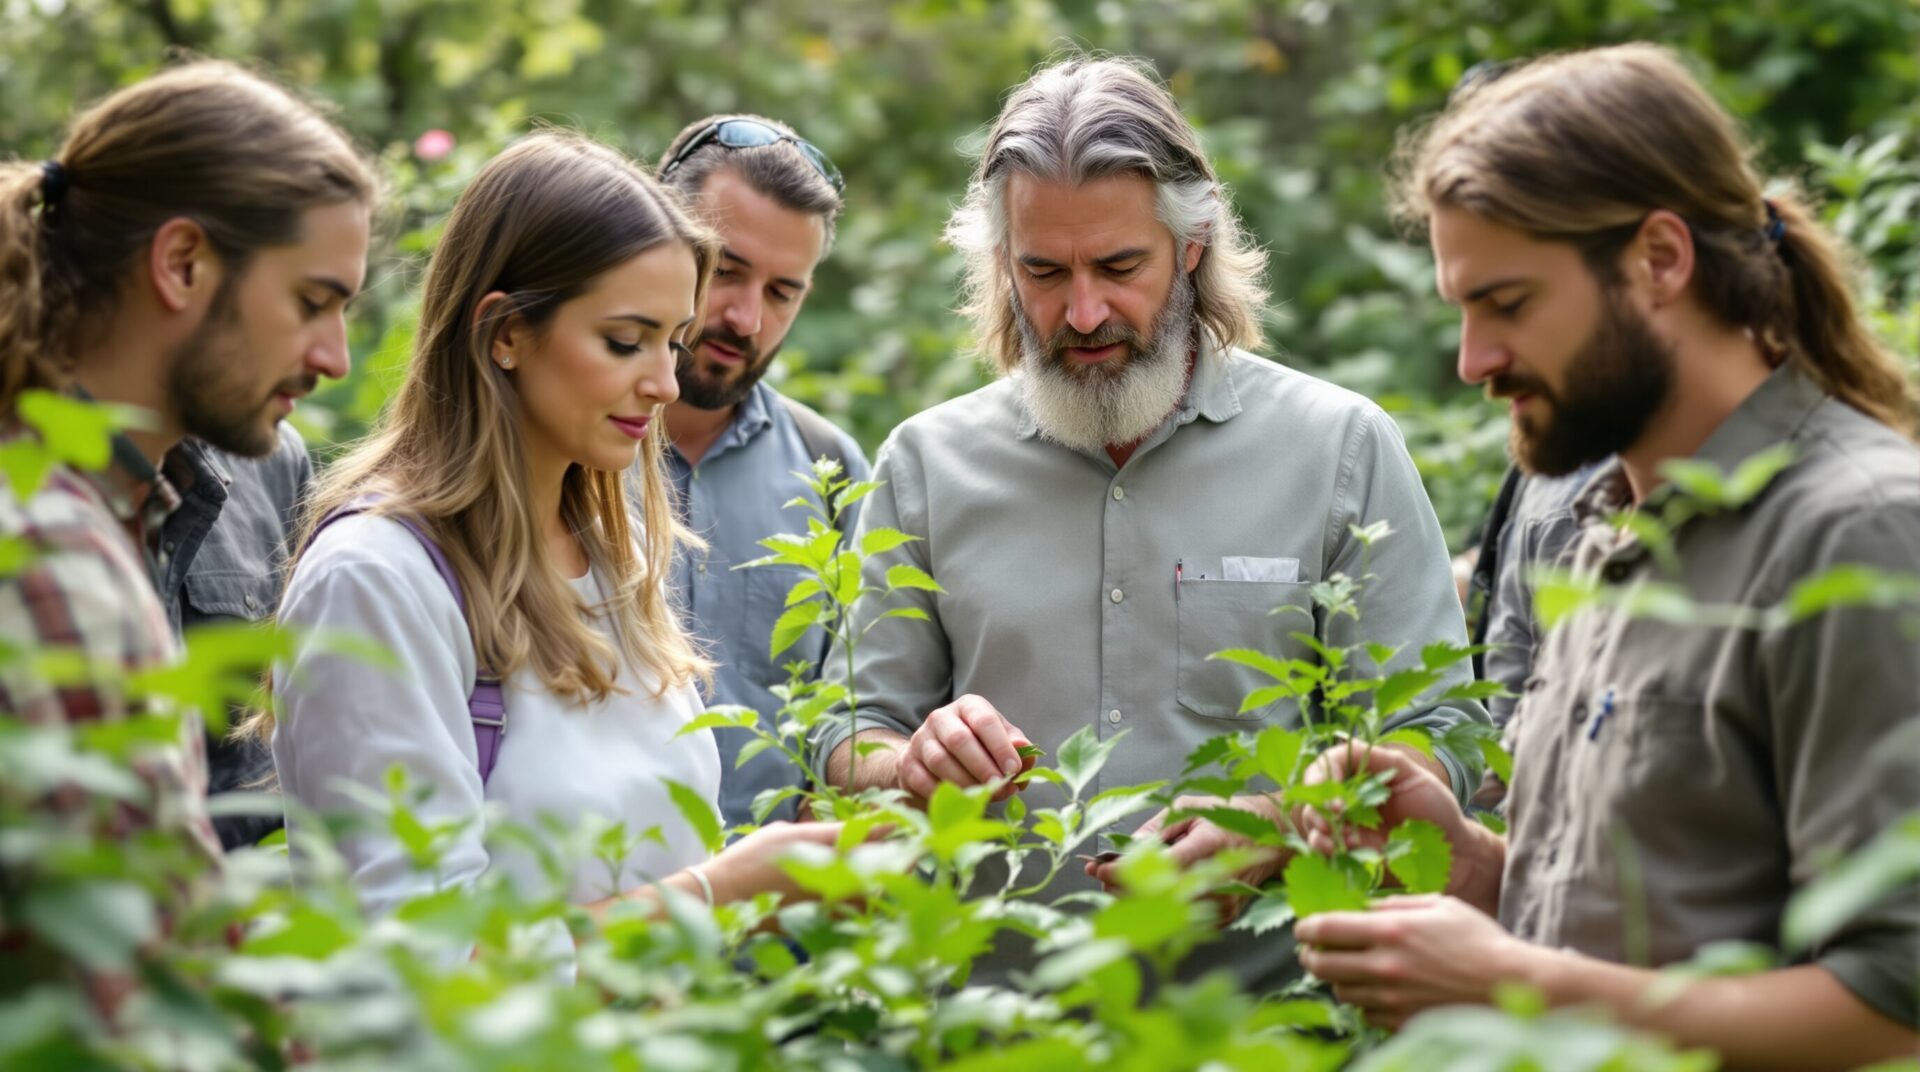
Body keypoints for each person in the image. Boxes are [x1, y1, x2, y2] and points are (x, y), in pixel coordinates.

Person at [1292, 44, 1920, 1069]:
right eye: (1462, 310)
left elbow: (1897, 1006)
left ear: (1660, 260)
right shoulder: (1601, 528)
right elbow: (1667, 913)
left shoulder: (1858, 530)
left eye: (1508, 304)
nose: (1474, 362)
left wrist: (1513, 986)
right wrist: (1476, 869)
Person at [809, 56, 1489, 990]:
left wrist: (1279, 821)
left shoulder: (1340, 449)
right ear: (1000, 263)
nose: (1082, 312)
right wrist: (906, 764)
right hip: (993, 1030)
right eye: (1042, 271)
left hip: (1266, 1028)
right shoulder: (928, 464)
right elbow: (846, 734)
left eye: (1119, 267)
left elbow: (1439, 730)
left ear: (1194, 245)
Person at [265, 132, 842, 939]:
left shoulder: (620, 553)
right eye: (624, 341)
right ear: (505, 332)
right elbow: (416, 963)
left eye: (671, 341)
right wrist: (722, 895)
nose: (666, 383)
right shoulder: (377, 580)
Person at [0, 61, 377, 865]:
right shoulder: (37, 533)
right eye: (311, 302)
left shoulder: (258, 474)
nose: (336, 358)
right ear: (182, 265)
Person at [653, 114, 869, 828]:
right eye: (727, 270)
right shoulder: (554, 448)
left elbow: (864, 707)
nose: (747, 319)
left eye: (783, 292)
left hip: (779, 924)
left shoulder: (828, 469)